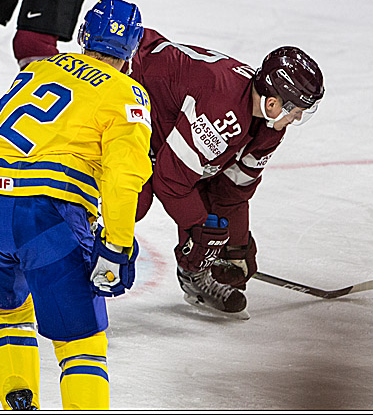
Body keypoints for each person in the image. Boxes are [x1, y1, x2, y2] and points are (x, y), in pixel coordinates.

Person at [0, 0, 152, 410]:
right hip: (47, 218)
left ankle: (17, 403)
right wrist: (116, 246)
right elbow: (124, 176)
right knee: (82, 342)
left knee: (5, 313)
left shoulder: (38, 68)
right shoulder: (127, 92)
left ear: (83, 36)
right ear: (131, 50)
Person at [129, 29, 324, 318]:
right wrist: (201, 232)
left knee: (210, 209)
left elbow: (231, 190)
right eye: (296, 111)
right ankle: (76, 249)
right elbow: (171, 180)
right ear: (273, 102)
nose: (296, 119)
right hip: (128, 90)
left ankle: (195, 274)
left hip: (164, 119)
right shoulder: (225, 112)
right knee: (135, 199)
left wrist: (235, 244)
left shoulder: (268, 127)